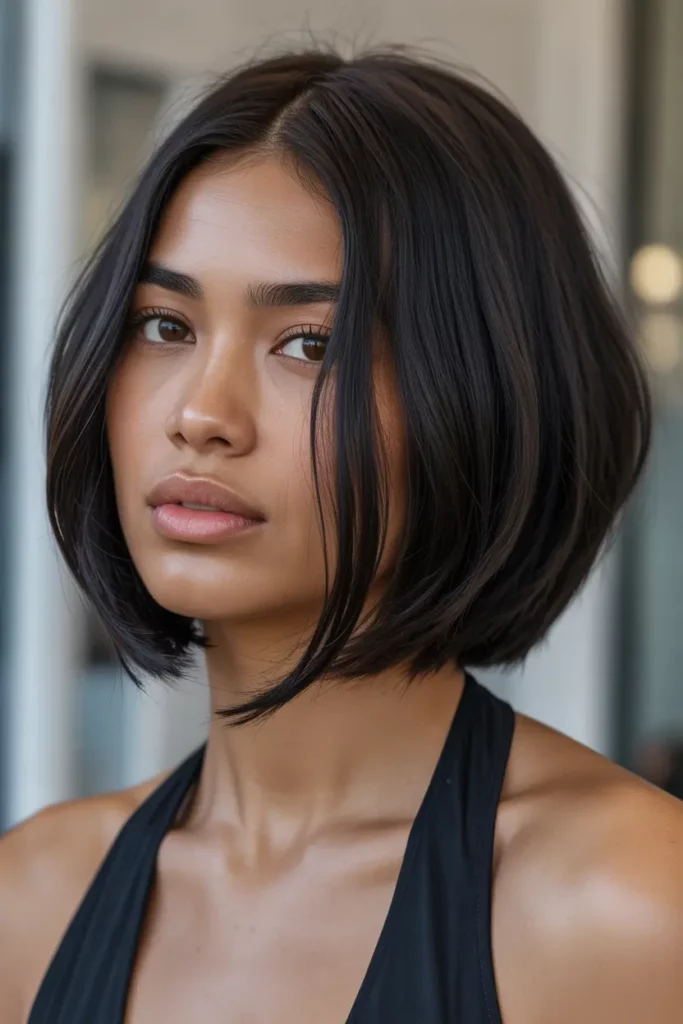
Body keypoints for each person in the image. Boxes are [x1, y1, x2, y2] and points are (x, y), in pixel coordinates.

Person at [0, 45, 681, 1024]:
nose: (201, 413)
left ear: (482, 398)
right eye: (164, 324)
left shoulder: (622, 906)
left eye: (308, 345)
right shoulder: (34, 899)